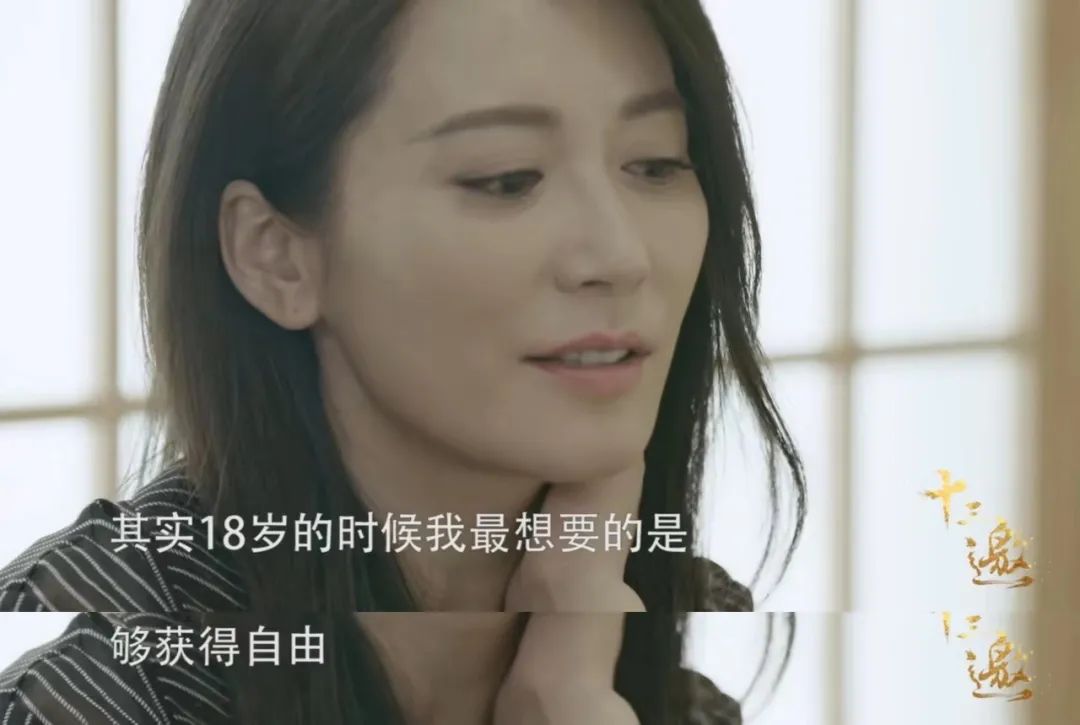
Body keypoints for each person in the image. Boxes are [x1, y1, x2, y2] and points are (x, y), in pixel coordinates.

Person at [0, 0, 806, 722]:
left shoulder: (656, 684)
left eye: (656, 164)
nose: (620, 255)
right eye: (506, 179)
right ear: (276, 255)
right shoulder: (92, 694)